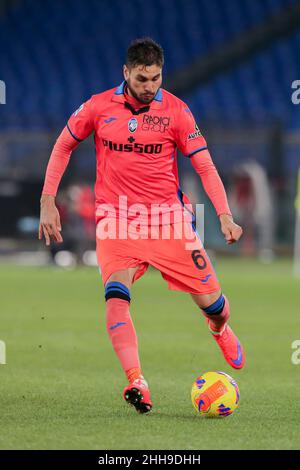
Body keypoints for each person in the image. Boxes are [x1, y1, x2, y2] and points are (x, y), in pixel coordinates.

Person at [39, 37, 244, 414]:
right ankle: (137, 381)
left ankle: (219, 329)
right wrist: (48, 199)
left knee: (215, 305)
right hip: (115, 219)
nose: (150, 86)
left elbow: (205, 165)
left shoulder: (177, 112)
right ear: (126, 73)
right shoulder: (99, 107)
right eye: (142, 78)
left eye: (156, 78)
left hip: (168, 221)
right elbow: (63, 145)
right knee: (116, 295)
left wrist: (224, 214)